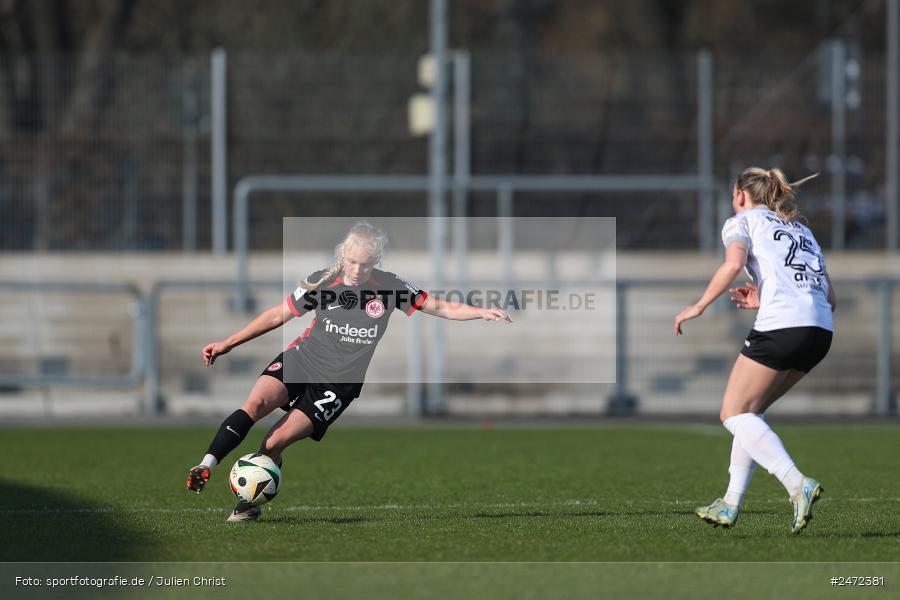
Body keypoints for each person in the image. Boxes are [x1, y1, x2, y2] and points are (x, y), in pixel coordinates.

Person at [186, 221, 512, 522]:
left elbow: (439, 306)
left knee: (273, 444)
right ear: (344, 254)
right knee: (254, 405)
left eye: (366, 264)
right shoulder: (322, 280)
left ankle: (247, 504)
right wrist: (229, 342)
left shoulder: (390, 287)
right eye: (353, 261)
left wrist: (480, 312)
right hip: (303, 357)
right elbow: (277, 315)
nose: (358, 270)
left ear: (377, 262)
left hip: (337, 384)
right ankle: (205, 465)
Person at [674, 168, 835, 534]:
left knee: (732, 414)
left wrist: (697, 306)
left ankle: (798, 484)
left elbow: (733, 264)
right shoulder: (802, 229)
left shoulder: (741, 220)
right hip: (821, 330)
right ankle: (730, 504)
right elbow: (830, 297)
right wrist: (764, 296)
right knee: (751, 413)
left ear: (740, 194)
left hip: (783, 325)